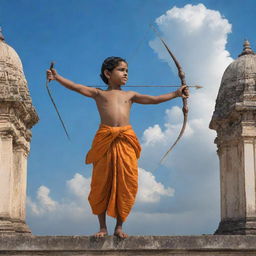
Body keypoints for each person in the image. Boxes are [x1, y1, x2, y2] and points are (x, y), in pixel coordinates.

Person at [46, 56, 189, 238]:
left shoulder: (130, 95)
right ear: (108, 73)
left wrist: (177, 94)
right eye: (121, 70)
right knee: (101, 182)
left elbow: (154, 99)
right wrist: (57, 77)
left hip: (125, 139)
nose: (126, 74)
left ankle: (119, 226)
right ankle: (103, 227)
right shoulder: (99, 94)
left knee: (126, 182)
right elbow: (77, 87)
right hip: (105, 139)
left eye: (127, 71)